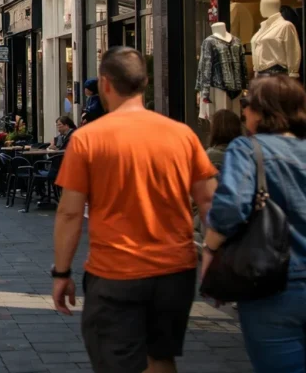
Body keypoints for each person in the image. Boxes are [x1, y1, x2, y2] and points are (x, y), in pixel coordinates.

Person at [52, 47, 217, 373]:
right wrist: (212, 251)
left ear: (105, 85)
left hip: (116, 272)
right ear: (143, 84)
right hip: (175, 271)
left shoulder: (87, 140)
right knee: (160, 357)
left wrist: (61, 272)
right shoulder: (182, 135)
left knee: (116, 360)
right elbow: (211, 201)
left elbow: (70, 213)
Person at [203, 75, 306, 372]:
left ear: (263, 110)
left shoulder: (249, 150)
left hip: (272, 283)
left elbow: (231, 207)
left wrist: (210, 251)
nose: (244, 111)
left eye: (247, 104)